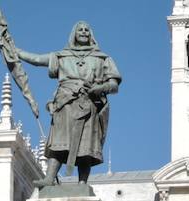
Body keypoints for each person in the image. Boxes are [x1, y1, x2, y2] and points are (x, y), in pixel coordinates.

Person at [14, 21, 122, 187]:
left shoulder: (102, 58)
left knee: (85, 145)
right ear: (74, 34)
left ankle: (82, 183)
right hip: (64, 104)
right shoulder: (62, 56)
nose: (84, 32)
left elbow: (114, 85)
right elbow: (36, 60)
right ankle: (49, 179)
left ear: (91, 35)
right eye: (80, 30)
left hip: (88, 103)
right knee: (59, 142)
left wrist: (99, 88)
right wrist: (17, 52)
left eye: (87, 30)